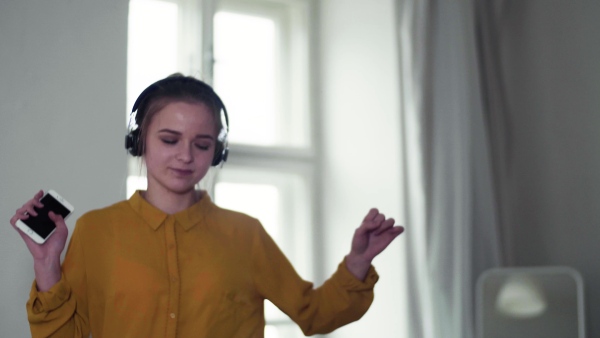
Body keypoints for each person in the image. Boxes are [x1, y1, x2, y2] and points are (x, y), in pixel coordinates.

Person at [10, 74, 404, 337]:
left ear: (217, 152)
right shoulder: (96, 231)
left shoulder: (245, 234)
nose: (186, 156)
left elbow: (315, 314)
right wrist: (47, 266)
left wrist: (357, 264)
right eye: (169, 140)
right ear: (139, 140)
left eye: (202, 145)